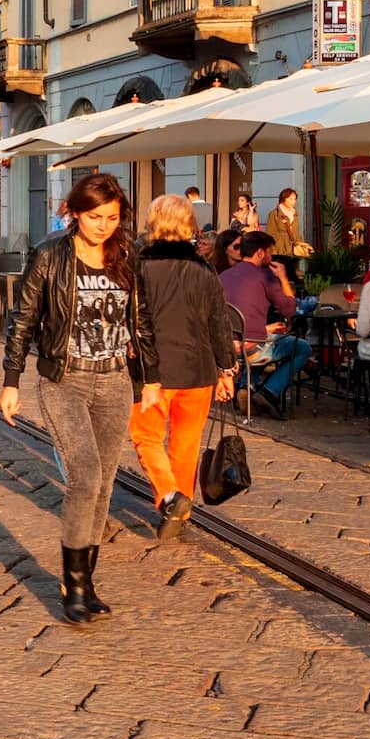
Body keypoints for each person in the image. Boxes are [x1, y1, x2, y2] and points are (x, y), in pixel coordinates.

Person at [2, 173, 161, 624]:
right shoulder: (51, 255)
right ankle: (71, 586)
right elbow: (24, 317)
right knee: (85, 477)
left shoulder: (127, 256)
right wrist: (11, 379)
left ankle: (86, 581)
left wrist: (150, 379)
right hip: (64, 380)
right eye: (95, 217)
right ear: (75, 212)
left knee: (106, 483)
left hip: (114, 381)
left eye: (112, 217)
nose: (103, 226)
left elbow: (141, 320)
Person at [133, 195, 237, 541]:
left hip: (152, 372)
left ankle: (170, 495)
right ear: (189, 225)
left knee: (146, 437)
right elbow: (219, 322)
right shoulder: (204, 270)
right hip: (197, 371)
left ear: (153, 222)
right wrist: (227, 369)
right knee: (185, 445)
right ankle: (183, 512)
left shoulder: (138, 266)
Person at [220, 231, 312, 418]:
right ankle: (270, 391)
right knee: (302, 348)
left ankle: (249, 386)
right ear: (261, 253)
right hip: (252, 346)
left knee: (267, 337)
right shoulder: (265, 276)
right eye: (270, 252)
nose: (271, 257)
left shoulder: (224, 276)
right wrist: (283, 277)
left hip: (225, 347)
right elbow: (289, 309)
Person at [266, 188, 307, 266]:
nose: (294, 201)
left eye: (295, 199)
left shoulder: (294, 214)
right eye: (291, 199)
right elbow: (270, 233)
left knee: (292, 273)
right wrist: (274, 250)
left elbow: (296, 232)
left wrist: (302, 245)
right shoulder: (274, 214)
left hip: (293, 249)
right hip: (280, 250)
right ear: (283, 199)